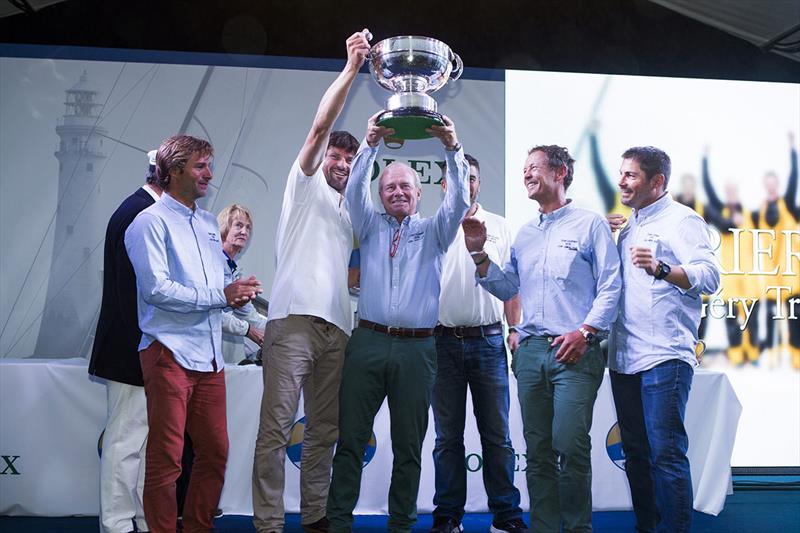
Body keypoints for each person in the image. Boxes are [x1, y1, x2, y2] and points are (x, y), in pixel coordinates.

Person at [463, 145, 621, 533]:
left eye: (534, 167)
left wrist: (586, 332)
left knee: (570, 444)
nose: (526, 175)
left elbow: (612, 286)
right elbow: (508, 287)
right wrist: (480, 255)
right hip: (531, 354)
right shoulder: (526, 233)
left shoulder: (590, 224)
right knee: (537, 453)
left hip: (575, 351)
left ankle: (576, 528)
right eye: (524, 169)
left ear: (561, 172)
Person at [327, 112, 470, 533]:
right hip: (367, 343)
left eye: (405, 186)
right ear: (381, 194)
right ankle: (338, 523)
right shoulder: (368, 225)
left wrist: (452, 149)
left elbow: (459, 200)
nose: (397, 192)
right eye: (389, 187)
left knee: (408, 447)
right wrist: (369, 145)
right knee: (350, 441)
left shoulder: (437, 231)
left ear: (419, 193)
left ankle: (402, 525)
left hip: (418, 349)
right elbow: (354, 192)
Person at [251, 29, 369, 533]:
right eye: (336, 158)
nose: (340, 164)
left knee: (324, 432)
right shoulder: (303, 187)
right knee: (276, 432)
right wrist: (351, 69)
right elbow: (321, 126)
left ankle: (315, 516)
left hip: (337, 332)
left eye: (349, 159)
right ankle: (269, 525)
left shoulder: (350, 214)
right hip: (293, 323)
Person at [125, 134, 262, 533]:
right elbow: (157, 290)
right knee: (167, 460)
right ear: (173, 171)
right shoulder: (147, 223)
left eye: (210, 165)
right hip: (167, 353)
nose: (209, 174)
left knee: (216, 452)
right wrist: (221, 295)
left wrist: (236, 296)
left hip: (210, 357)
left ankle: (199, 527)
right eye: (201, 166)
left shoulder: (205, 223)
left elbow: (216, 289)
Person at [609, 146, 720, 533]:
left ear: (657, 182)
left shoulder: (682, 221)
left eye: (631, 175)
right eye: (621, 173)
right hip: (623, 357)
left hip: (665, 356)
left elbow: (710, 276)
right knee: (636, 455)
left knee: (666, 455)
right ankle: (647, 528)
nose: (621, 181)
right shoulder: (629, 225)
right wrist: (608, 241)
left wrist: (662, 268)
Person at [430, 153, 525, 533]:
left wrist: (514, 330)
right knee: (446, 438)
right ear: (443, 185)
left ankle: (506, 516)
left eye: (471, 177)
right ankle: (448, 516)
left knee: (498, 437)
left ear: (478, 183)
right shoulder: (432, 228)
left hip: (488, 342)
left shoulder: (500, 226)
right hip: (441, 344)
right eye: (456, 177)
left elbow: (512, 288)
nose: (464, 183)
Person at [89, 149, 161, 533]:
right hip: (130, 348)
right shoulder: (138, 213)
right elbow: (133, 292)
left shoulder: (138, 208)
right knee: (125, 442)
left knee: (141, 442)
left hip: (138, 347)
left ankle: (139, 519)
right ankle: (117, 524)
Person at [218, 203, 266, 364]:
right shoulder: (210, 262)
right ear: (225, 227)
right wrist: (248, 330)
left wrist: (280, 327)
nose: (244, 232)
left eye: (248, 228)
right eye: (238, 225)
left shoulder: (233, 271)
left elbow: (251, 317)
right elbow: (209, 312)